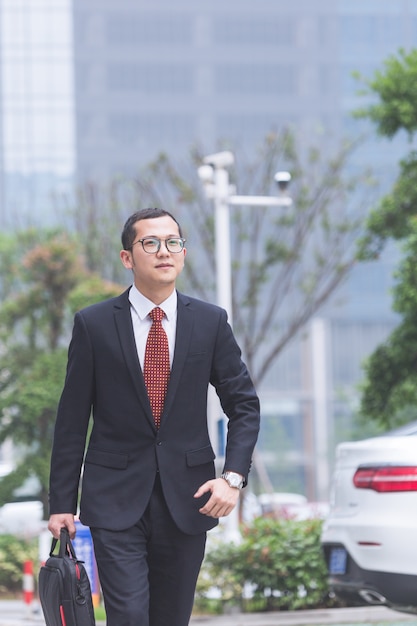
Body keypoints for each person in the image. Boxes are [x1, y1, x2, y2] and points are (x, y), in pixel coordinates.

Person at [47, 207, 260, 626]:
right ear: (128, 257)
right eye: (150, 243)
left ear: (183, 252)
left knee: (171, 618)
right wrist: (61, 503)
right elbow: (72, 421)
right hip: (114, 498)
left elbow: (244, 405)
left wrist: (233, 477)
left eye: (172, 243)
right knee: (128, 616)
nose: (164, 252)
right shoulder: (93, 325)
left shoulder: (210, 322)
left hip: (189, 498)